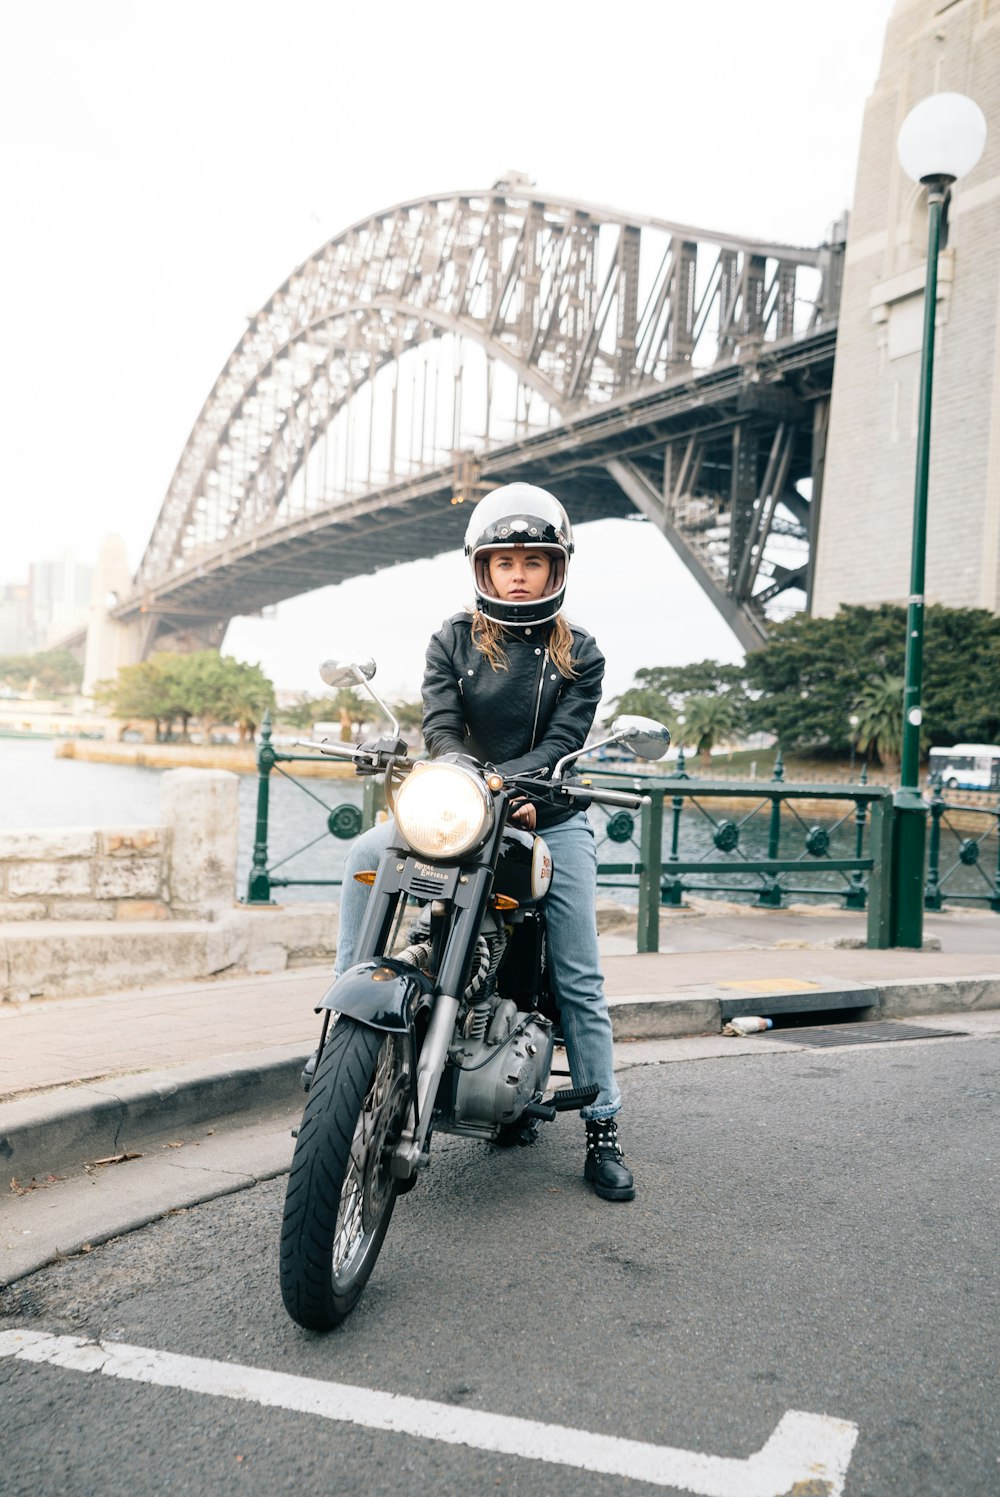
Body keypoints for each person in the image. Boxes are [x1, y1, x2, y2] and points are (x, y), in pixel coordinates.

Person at [335, 483, 635, 1202]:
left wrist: (522, 793)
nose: (519, 573)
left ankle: (603, 1123)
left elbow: (564, 742)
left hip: (549, 814)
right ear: (483, 569)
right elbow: (441, 727)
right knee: (365, 854)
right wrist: (469, 779)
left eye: (535, 560)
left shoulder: (581, 654)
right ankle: (341, 1028)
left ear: (556, 568)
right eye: (506, 562)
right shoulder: (452, 638)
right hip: (462, 805)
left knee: (580, 970)